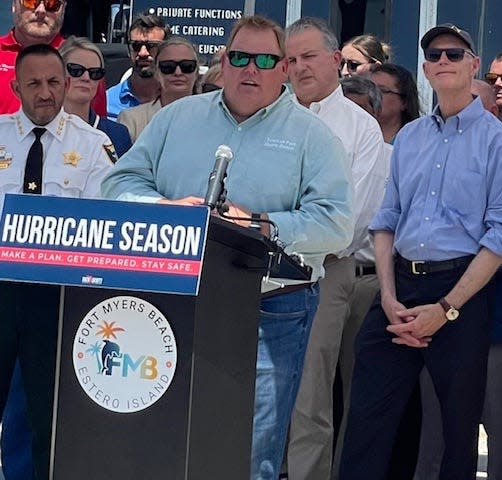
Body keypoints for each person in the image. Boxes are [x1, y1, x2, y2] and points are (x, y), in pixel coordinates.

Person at [100, 15, 353, 479]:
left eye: (264, 60)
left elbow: (336, 224)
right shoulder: (177, 117)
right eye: (239, 57)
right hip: (173, 302)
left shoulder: (314, 137)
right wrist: (163, 206)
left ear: (284, 69)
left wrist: (260, 224)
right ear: (222, 61)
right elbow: (118, 183)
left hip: (270, 310)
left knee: (251, 450)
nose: (249, 69)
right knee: (165, 435)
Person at [339, 23, 502, 480]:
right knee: (365, 424)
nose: (444, 60)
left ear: (473, 64)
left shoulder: (500, 143)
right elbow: (386, 221)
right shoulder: (410, 138)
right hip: (398, 285)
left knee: (456, 436)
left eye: (454, 54)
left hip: (459, 289)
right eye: (435, 55)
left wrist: (445, 309)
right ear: (425, 68)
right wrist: (387, 298)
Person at [414, 77, 502, 480]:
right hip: (434, 312)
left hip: (497, 317)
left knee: (499, 424)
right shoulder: (430, 155)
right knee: (433, 429)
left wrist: (451, 258)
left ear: (488, 112)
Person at [0, 43, 115, 480]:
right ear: (16, 87)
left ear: (67, 84)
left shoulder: (93, 146)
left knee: (46, 414)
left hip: (57, 297)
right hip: (1, 288)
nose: (45, 93)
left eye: (53, 82)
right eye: (33, 84)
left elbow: (103, 222)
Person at [283, 17, 387, 480]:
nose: (299, 67)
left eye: (309, 57)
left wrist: (275, 228)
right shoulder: (269, 115)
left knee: (309, 396)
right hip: (255, 270)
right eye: (291, 59)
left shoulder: (360, 128)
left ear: (335, 61)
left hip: (325, 272)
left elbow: (350, 221)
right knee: (259, 387)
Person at [60, 36, 132, 156]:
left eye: (95, 73)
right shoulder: (41, 128)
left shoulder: (117, 134)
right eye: (76, 70)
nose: (86, 78)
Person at [118, 36, 199, 141]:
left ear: (197, 72)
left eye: (187, 66)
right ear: (156, 72)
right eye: (168, 67)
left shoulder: (212, 119)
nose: (178, 73)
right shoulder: (132, 120)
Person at [0, 0, 66, 114]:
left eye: (52, 4)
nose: (41, 10)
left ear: (63, 10)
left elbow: (96, 124)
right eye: (30, 2)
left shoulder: (82, 63)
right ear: (14, 5)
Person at [106, 13, 171, 120]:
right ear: (128, 50)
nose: (143, 53)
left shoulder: (176, 102)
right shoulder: (107, 102)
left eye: (151, 46)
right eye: (136, 46)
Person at [370, 63, 421, 143]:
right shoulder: (356, 137)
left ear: (404, 102)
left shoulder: (416, 143)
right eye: (369, 88)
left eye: (382, 91)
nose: (372, 94)